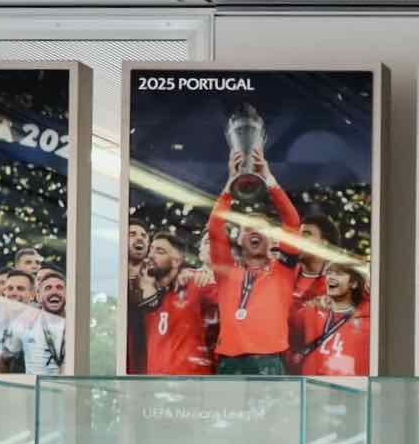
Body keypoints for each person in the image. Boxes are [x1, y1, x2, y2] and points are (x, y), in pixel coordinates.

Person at [205, 154, 306, 376]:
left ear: (272, 240)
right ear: (239, 239)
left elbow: (292, 223)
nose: (255, 232)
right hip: (229, 362)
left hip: (268, 361)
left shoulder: (283, 270)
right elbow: (215, 229)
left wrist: (269, 180)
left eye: (261, 229)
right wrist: (230, 184)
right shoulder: (226, 271)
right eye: (248, 229)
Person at [134, 232, 217, 376]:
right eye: (150, 250)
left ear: (176, 261)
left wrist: (210, 276)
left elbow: (231, 302)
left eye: (160, 251)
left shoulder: (195, 282)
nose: (150, 256)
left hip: (192, 382)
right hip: (155, 383)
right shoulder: (144, 293)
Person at [291, 263, 371, 376]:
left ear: (353, 284)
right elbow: (288, 332)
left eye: (339, 274)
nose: (331, 277)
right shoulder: (311, 311)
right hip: (311, 383)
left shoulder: (366, 320)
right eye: (329, 273)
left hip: (348, 385)